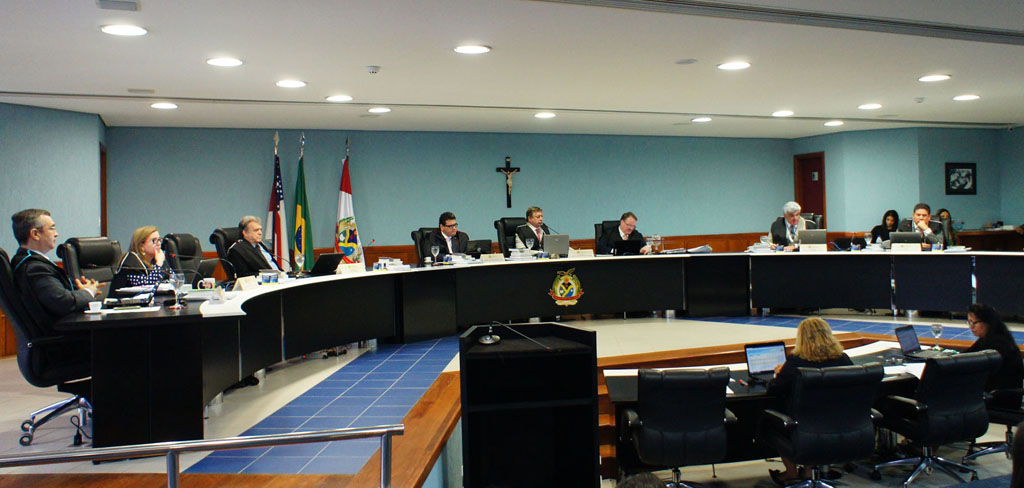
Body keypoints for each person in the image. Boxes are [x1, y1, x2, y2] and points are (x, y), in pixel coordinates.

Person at [766, 317, 853, 485]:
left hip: (803, 426)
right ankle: (808, 471)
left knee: (771, 423)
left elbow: (774, 389)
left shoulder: (796, 361)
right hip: (840, 423)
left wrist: (778, 374)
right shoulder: (843, 359)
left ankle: (791, 473)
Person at [9, 209, 103, 328]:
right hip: (64, 335)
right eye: (51, 228)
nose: (56, 234)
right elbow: (62, 302)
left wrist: (79, 291)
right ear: (35, 234)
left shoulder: (31, 262)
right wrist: (88, 291)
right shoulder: (35, 268)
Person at [964, 304, 1024, 407]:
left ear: (987, 322)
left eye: (974, 323)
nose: (971, 326)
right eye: (969, 322)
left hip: (1001, 398)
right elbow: (966, 355)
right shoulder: (986, 338)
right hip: (989, 392)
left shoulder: (999, 344)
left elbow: (982, 370)